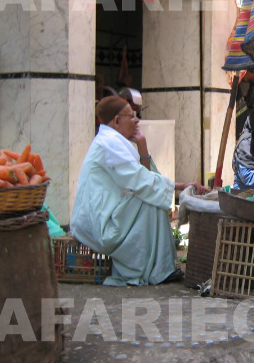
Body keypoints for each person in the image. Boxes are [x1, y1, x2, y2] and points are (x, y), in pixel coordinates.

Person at [71, 96, 209, 286]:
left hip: (108, 212)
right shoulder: (109, 143)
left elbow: (145, 177)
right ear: (117, 120)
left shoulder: (114, 140)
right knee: (152, 197)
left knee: (154, 194)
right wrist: (180, 186)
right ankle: (153, 268)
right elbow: (141, 181)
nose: (137, 121)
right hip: (99, 223)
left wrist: (142, 146)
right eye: (132, 116)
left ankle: (159, 267)